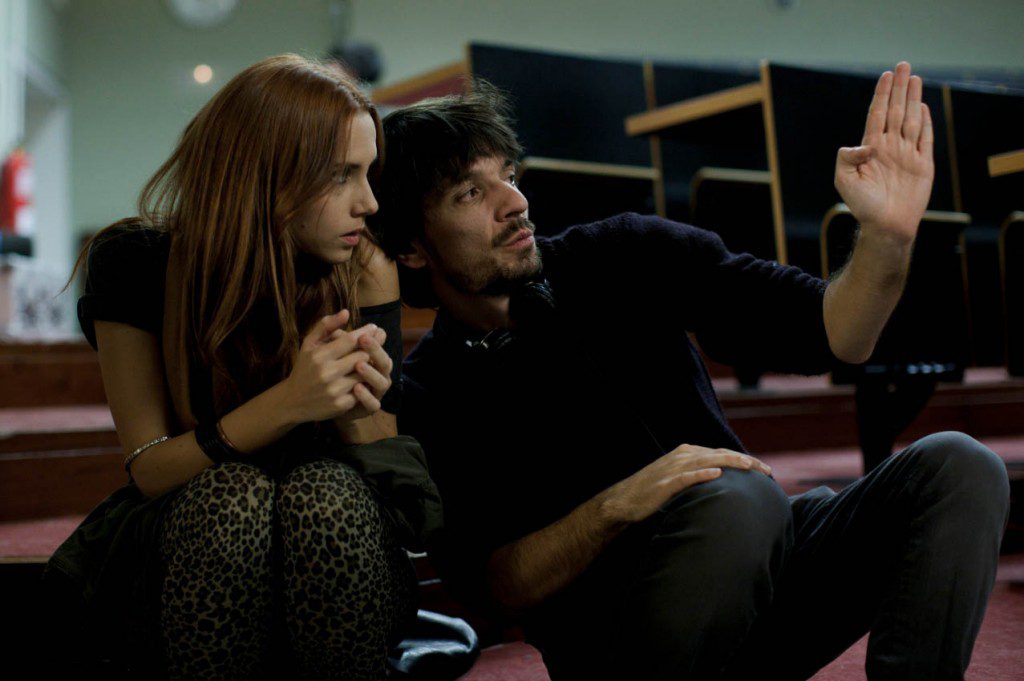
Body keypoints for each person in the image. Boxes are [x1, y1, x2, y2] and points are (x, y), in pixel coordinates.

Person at [370, 64, 1011, 680]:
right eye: (471, 193)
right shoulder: (430, 390)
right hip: (624, 635)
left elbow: (834, 333)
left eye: (508, 175)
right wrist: (620, 504)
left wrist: (886, 237)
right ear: (411, 248)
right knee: (741, 498)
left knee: (958, 466)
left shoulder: (622, 252)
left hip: (761, 562)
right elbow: (495, 588)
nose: (514, 203)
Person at [44, 55, 438, 680]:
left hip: (337, 555)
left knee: (325, 494)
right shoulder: (135, 260)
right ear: (268, 175)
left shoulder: (362, 264)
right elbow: (149, 468)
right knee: (232, 497)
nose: (368, 202)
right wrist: (290, 402)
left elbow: (402, 502)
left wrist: (356, 406)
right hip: (193, 543)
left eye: (369, 173)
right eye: (343, 175)